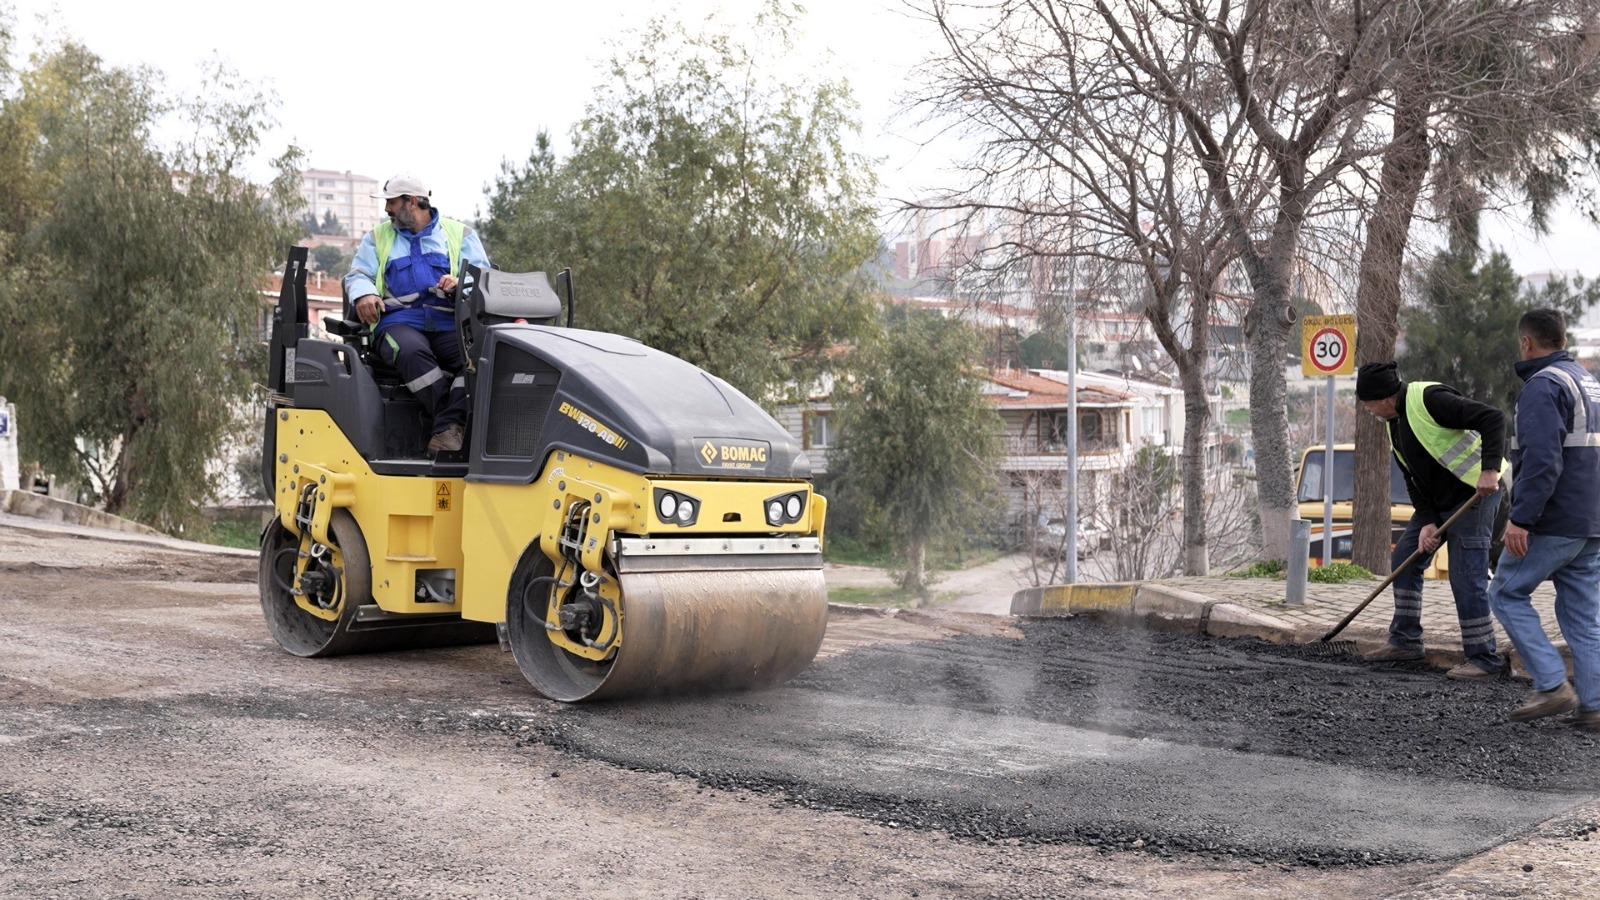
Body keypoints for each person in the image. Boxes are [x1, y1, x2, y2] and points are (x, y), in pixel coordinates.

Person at [1354, 361, 1506, 679]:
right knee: (1406, 560)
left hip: (1475, 495)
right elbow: (1413, 477)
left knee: (1466, 576)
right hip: (1439, 506)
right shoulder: (1392, 421)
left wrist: (1490, 470)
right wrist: (1426, 520)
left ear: (1383, 397)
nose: (1367, 410)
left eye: (1367, 403)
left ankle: (1484, 658)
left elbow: (1493, 418)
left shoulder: (1429, 399)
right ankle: (1406, 641)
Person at [1487, 309, 1600, 729]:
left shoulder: (1543, 385)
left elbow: (1541, 460)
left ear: (1526, 343)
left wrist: (1521, 519)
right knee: (1584, 618)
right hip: (1590, 520)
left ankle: (1552, 685)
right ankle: (1595, 706)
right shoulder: (1589, 383)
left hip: (1555, 520)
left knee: (1505, 593)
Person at [345, 174, 489, 454]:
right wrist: (365, 294)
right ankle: (448, 427)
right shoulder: (376, 238)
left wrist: (461, 284)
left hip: (449, 322)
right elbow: (358, 274)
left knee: (480, 357)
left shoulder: (461, 235)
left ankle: (445, 429)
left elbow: (484, 280)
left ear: (412, 202)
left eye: (391, 202)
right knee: (410, 352)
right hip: (398, 323)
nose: (386, 209)